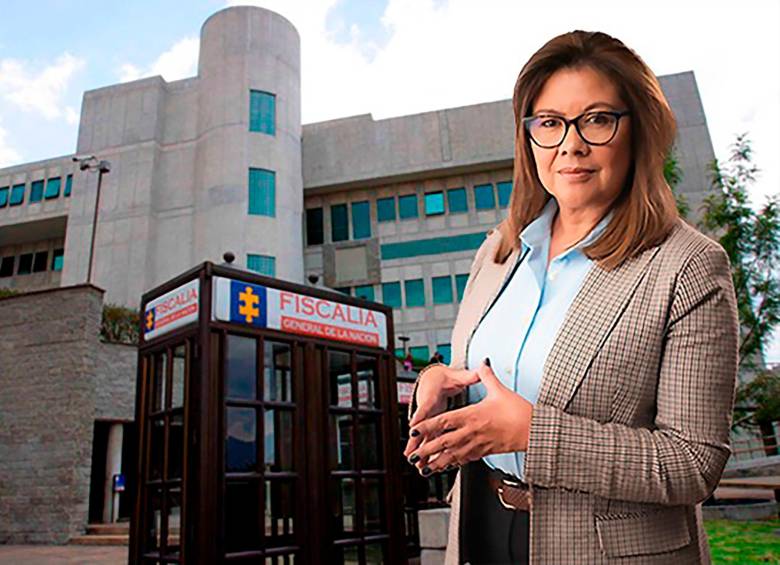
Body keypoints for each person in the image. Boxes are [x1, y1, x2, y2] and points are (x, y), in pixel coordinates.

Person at [404, 30, 738, 565]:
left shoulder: (687, 265)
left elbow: (693, 462)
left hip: (607, 551)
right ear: (530, 136)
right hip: (479, 531)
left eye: (598, 119)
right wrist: (441, 381)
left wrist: (533, 434)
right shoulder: (497, 252)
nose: (571, 144)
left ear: (638, 132)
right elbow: (494, 374)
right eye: (550, 123)